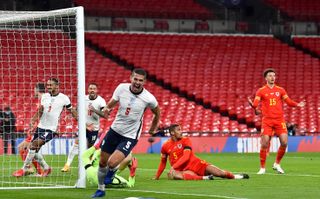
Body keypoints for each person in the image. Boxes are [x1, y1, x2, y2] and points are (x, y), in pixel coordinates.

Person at [92, 68, 160, 198]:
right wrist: (106, 108)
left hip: (130, 136)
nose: (137, 82)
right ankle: (101, 190)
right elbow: (111, 103)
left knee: (112, 163)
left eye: (141, 80)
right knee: (102, 163)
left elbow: (157, 113)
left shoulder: (149, 98)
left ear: (144, 82)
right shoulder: (121, 88)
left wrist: (152, 128)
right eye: (135, 79)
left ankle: (111, 174)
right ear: (131, 78)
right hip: (114, 130)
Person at [12, 78, 78, 177]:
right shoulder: (45, 96)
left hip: (51, 129)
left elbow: (71, 110)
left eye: (51, 85)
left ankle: (25, 168)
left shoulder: (64, 98)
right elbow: (41, 110)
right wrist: (33, 120)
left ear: (57, 86)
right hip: (40, 127)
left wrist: (79, 120)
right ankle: (46, 168)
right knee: (33, 149)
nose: (49, 87)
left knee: (34, 144)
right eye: (47, 85)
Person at [248, 68, 305, 175]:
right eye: (270, 75)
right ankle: (262, 168)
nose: (272, 77)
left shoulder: (280, 90)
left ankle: (277, 164)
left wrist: (298, 104)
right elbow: (256, 104)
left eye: (274, 75)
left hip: (279, 120)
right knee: (264, 144)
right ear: (265, 78)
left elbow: (288, 102)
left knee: (284, 142)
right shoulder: (261, 91)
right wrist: (252, 105)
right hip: (267, 121)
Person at [154, 124, 249, 181]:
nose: (181, 132)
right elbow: (163, 162)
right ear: (172, 133)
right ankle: (205, 178)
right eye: (179, 130)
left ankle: (237, 176)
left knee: (220, 173)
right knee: (174, 175)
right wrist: (157, 176)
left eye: (181, 129)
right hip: (182, 169)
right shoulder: (165, 146)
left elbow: (186, 157)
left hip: (196, 164)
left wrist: (173, 167)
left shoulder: (186, 140)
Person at [61, 83, 107, 172]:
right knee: (76, 144)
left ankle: (89, 165)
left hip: (94, 128)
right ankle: (67, 165)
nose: (92, 90)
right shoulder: (83, 99)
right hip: (83, 126)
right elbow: (76, 110)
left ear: (97, 90)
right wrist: (71, 116)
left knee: (89, 148)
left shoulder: (101, 101)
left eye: (94, 88)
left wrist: (94, 110)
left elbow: (104, 115)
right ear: (88, 90)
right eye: (90, 88)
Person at [16, 83, 46, 175]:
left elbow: (42, 114)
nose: (34, 91)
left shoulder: (44, 99)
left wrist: (35, 124)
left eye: (34, 89)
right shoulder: (42, 99)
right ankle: (39, 170)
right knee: (29, 149)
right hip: (38, 128)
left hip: (41, 129)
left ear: (37, 90)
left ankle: (31, 169)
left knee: (24, 148)